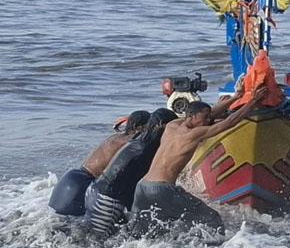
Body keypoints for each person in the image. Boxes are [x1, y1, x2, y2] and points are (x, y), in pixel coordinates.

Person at [129, 87, 267, 234]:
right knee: (212, 220)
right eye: (205, 118)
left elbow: (211, 112)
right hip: (162, 189)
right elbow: (230, 122)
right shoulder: (194, 134)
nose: (208, 121)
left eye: (209, 118)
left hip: (142, 187)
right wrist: (252, 102)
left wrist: (236, 97)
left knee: (142, 233)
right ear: (191, 116)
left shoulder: (171, 126)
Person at [85, 108, 178, 237]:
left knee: (106, 237)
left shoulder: (139, 138)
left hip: (96, 190)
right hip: (107, 200)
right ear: (160, 124)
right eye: (173, 126)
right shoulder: (152, 146)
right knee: (95, 243)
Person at [49, 110, 149, 216]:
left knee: (58, 224)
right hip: (84, 185)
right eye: (148, 127)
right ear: (137, 127)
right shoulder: (131, 142)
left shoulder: (115, 137)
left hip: (70, 179)